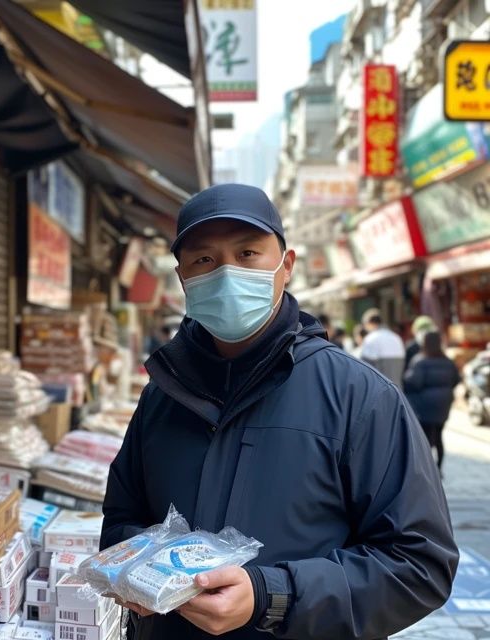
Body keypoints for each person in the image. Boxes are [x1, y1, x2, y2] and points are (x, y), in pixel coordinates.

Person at [101, 184, 458, 640]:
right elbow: (121, 518)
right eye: (204, 260)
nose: (227, 273)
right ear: (183, 276)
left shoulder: (360, 396)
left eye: (248, 253)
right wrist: (131, 568)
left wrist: (273, 595)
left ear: (285, 266)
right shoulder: (161, 395)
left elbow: (419, 563)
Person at [403, 330, 461, 474]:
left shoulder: (420, 361)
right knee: (439, 435)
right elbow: (456, 380)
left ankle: (428, 470)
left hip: (424, 405)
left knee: (426, 437)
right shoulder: (448, 361)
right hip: (443, 403)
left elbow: (414, 382)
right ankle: (439, 468)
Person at [360, 308, 406, 387]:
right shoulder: (396, 337)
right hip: (397, 389)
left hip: (379, 390)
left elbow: (364, 366)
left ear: (370, 323)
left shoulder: (371, 338)